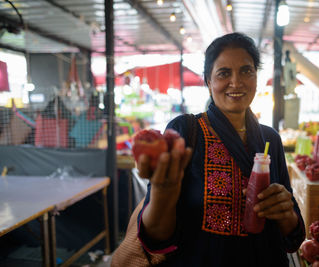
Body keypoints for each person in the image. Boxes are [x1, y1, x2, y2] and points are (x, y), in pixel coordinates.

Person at [112, 32, 305, 266]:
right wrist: (163, 194)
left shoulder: (270, 140)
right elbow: (156, 240)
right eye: (224, 73)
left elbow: (293, 238)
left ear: (256, 76)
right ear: (208, 81)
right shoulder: (185, 131)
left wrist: (285, 213)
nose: (236, 82)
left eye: (246, 70)